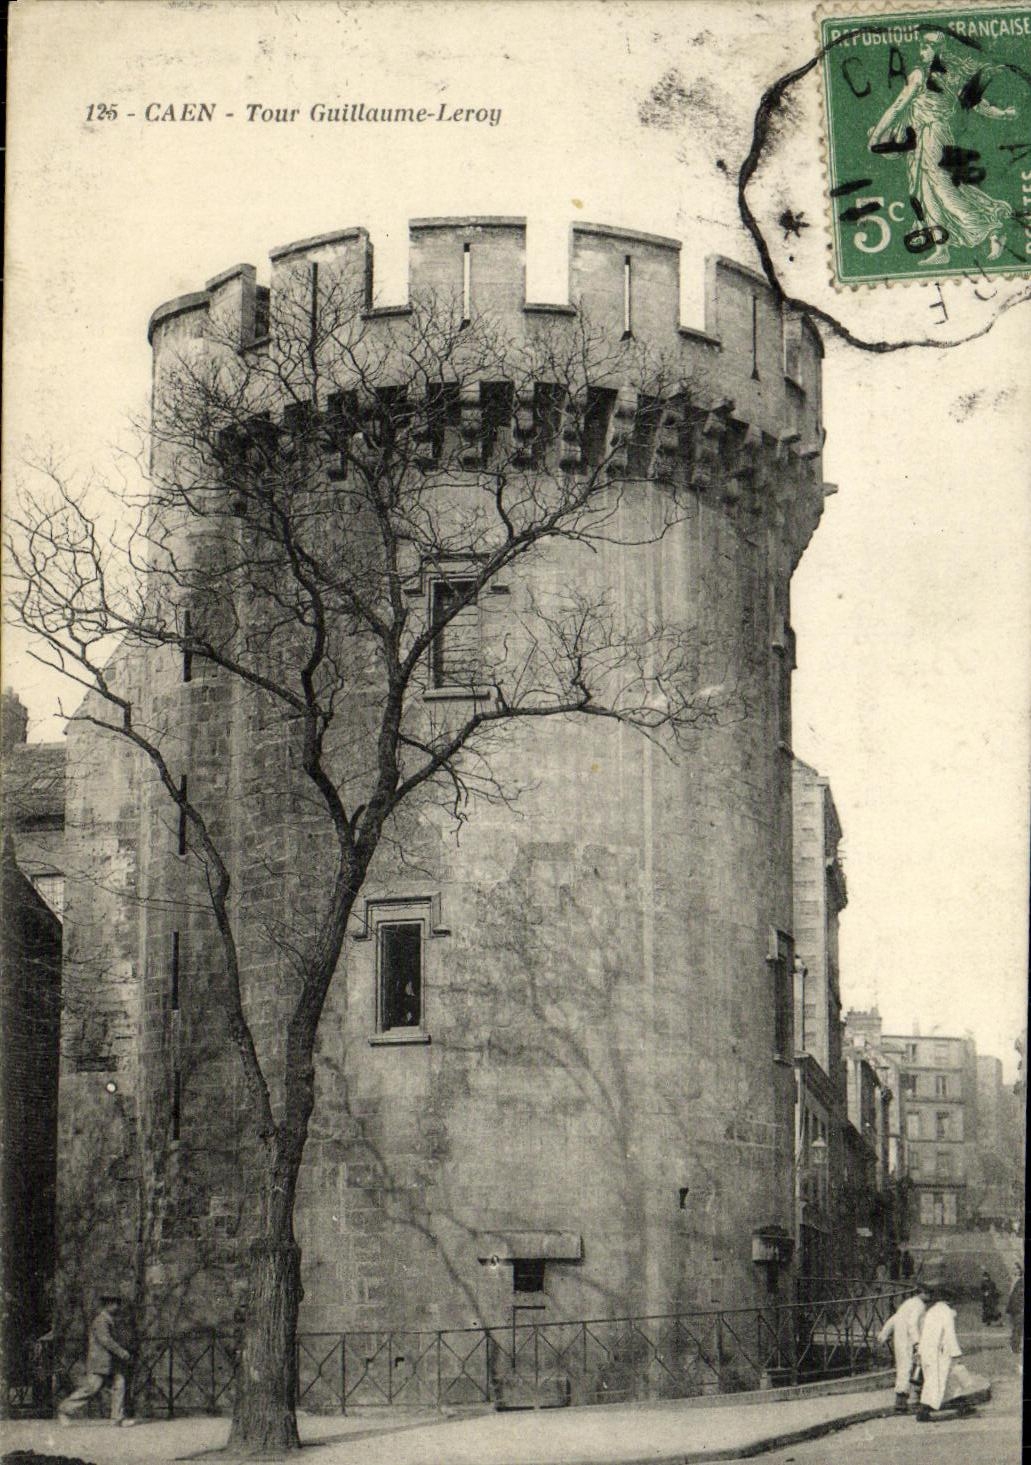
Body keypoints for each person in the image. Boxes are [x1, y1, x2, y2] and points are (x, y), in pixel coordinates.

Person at [867, 30, 1016, 267]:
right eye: (921, 47)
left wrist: (875, 138)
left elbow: (898, 107)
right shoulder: (950, 74)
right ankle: (941, 247)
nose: (922, 51)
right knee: (923, 192)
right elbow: (978, 103)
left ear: (937, 49)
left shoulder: (922, 75)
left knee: (943, 189)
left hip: (933, 135)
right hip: (922, 136)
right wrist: (1003, 114)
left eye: (927, 47)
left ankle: (991, 229)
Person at [57, 1296, 135, 1427]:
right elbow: (106, 1340)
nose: (117, 1307)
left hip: (110, 1363)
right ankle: (64, 1410)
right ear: (107, 1305)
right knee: (91, 1389)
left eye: (117, 1304)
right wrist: (122, 1352)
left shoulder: (110, 1320)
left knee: (119, 1384)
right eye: (114, 1304)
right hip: (99, 1362)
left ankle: (117, 1418)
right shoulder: (101, 1321)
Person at [915, 1287, 988, 1422]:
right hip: (940, 1353)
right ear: (950, 1300)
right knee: (935, 1383)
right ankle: (923, 1411)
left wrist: (920, 1352)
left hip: (928, 1351)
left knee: (950, 1381)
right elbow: (950, 1334)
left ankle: (963, 1406)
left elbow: (925, 1333)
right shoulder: (947, 1313)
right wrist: (956, 1353)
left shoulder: (932, 1311)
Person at [877, 1284, 930, 1412]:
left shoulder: (907, 1303)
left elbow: (895, 1318)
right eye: (928, 1293)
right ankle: (902, 1401)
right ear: (921, 1293)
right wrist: (917, 1342)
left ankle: (914, 1397)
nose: (930, 1296)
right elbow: (912, 1324)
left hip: (900, 1338)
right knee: (911, 1368)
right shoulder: (919, 1306)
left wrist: (884, 1334)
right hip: (909, 1340)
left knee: (906, 1367)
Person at [1005, 1264, 1023, 1362]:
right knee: (1015, 1327)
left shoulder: (1021, 1281)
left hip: (1018, 1308)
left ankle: (1015, 1346)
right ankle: (1014, 1345)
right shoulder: (1014, 1280)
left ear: (1020, 1270)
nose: (1014, 1270)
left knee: (1017, 1327)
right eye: (1013, 1269)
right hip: (1013, 1308)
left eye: (1016, 1269)